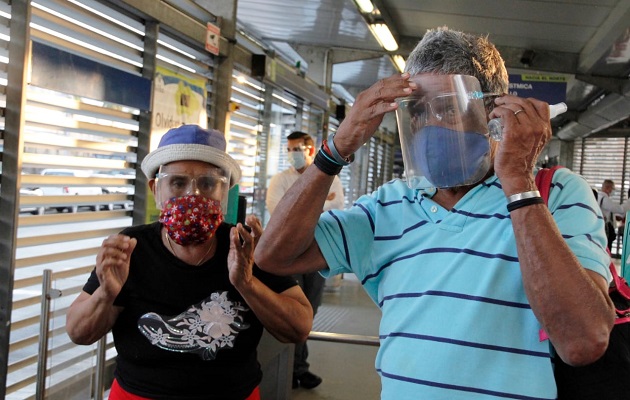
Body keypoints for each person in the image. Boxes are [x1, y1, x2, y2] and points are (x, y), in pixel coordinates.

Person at [254, 27, 615, 400]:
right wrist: (336, 150)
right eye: (419, 111)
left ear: (491, 112)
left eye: (445, 107)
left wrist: (518, 182)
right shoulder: (388, 206)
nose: (428, 125)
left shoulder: (552, 193)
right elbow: (274, 255)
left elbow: (583, 341)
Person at [66, 125, 313, 400]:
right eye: (177, 183)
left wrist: (247, 284)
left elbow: (299, 327)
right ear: (156, 189)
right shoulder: (131, 248)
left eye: (207, 184)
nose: (192, 196)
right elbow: (79, 332)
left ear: (224, 192)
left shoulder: (246, 246)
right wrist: (106, 294)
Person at [265, 131, 345, 389]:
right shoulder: (280, 179)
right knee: (290, 311)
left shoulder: (330, 177)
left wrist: (296, 209)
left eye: (297, 148)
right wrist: (317, 206)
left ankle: (297, 368)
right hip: (286, 256)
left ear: (311, 150)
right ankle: (292, 371)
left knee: (309, 312)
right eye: (288, 149)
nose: (292, 154)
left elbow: (337, 209)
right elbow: (277, 211)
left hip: (317, 253)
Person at [598, 179, 625, 250]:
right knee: (607, 247)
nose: (613, 191)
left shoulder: (597, 196)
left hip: (599, 226)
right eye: (612, 188)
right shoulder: (605, 199)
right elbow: (619, 209)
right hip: (605, 227)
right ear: (607, 188)